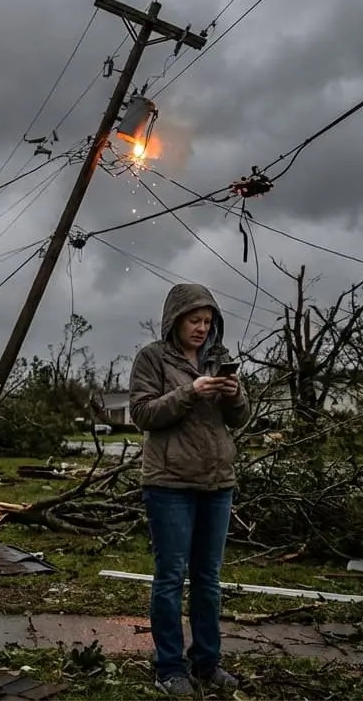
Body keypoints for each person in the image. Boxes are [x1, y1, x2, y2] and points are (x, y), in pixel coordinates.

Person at [127, 283, 250, 696]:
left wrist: (233, 396)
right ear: (175, 320)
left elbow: (241, 417)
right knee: (170, 577)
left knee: (208, 579)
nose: (202, 328)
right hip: (169, 484)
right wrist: (188, 392)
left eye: (207, 321)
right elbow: (143, 413)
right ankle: (169, 668)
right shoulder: (152, 358)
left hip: (217, 482)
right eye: (194, 321)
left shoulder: (220, 358)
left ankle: (207, 663)